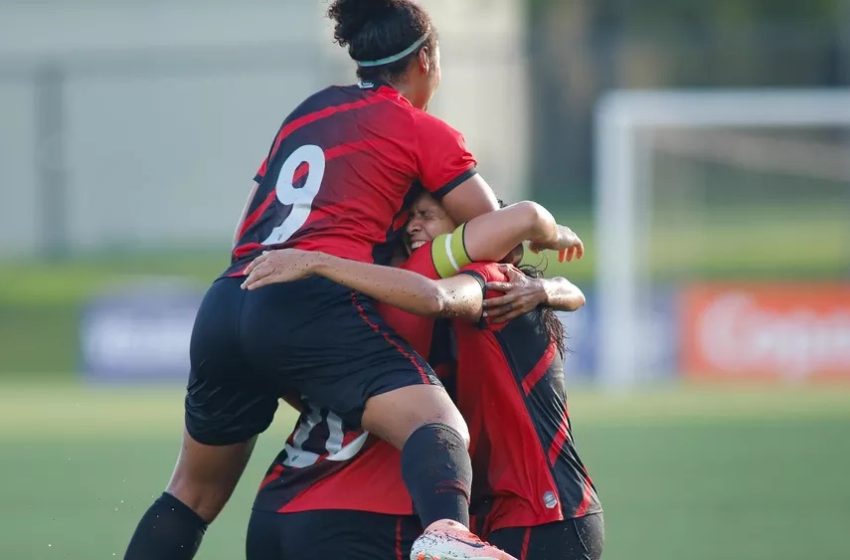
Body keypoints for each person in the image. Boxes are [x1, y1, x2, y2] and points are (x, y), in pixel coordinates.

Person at [123, 1, 553, 559]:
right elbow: (496, 227)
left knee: (192, 493)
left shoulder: (309, 110)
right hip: (304, 300)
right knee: (437, 420)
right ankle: (448, 537)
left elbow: (247, 223)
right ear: (427, 59)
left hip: (229, 298)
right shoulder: (424, 130)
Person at [243, 193, 602, 560]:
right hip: (502, 513)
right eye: (411, 216)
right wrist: (556, 288)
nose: (413, 225)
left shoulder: (495, 280)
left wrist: (318, 262)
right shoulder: (461, 307)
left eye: (428, 215)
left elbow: (436, 296)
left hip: (544, 511)